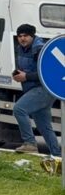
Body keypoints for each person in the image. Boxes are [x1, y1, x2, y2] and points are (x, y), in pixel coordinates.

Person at [12, 24, 61, 155]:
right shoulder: (21, 48)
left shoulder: (39, 49)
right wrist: (18, 74)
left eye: (26, 36)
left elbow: (48, 73)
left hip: (43, 89)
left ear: (32, 36)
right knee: (44, 127)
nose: (22, 39)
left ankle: (29, 143)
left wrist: (26, 76)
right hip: (34, 89)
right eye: (20, 36)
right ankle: (58, 157)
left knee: (19, 109)